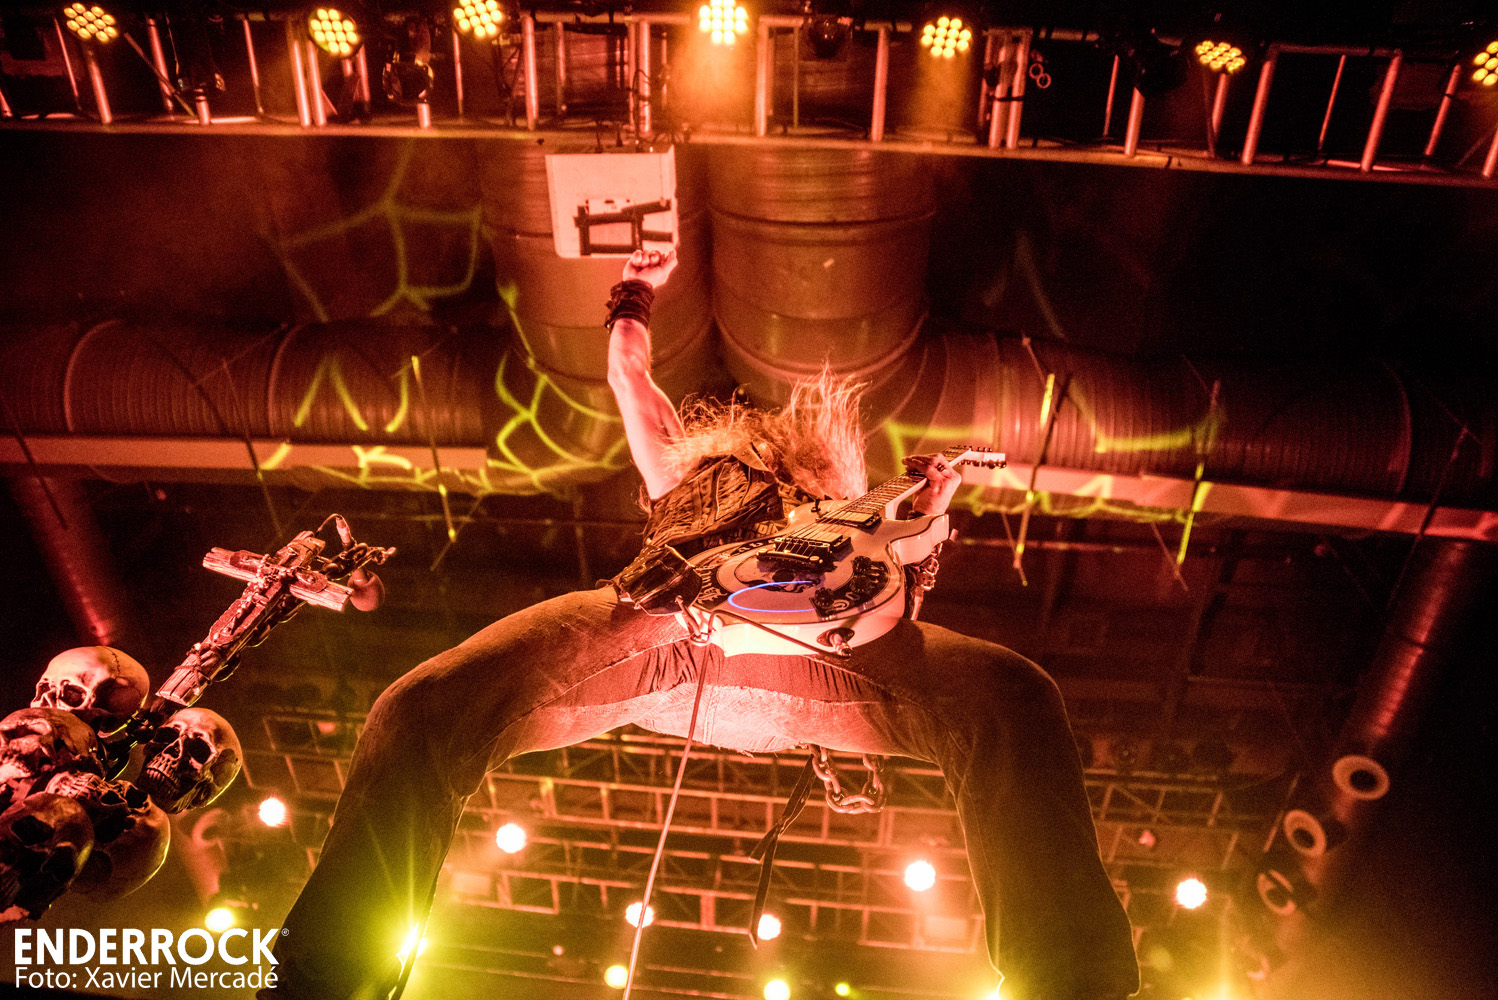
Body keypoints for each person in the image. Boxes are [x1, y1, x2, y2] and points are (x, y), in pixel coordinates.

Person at [264, 250, 1139, 1000]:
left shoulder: (844, 502)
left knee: (1014, 696)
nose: (758, 438)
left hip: (819, 659)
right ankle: (325, 978)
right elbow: (630, 378)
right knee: (422, 708)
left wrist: (928, 506)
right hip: (665, 628)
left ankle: (1072, 982)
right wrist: (635, 292)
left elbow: (889, 579)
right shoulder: (680, 472)